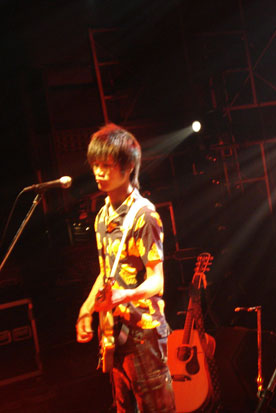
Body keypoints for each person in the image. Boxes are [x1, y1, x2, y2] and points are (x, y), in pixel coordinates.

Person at [75, 124, 176, 412]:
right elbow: (107, 272)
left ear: (128, 166)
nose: (98, 172)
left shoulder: (144, 215)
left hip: (144, 333)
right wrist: (86, 309)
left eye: (106, 165)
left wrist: (123, 296)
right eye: (95, 165)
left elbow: (157, 281)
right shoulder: (103, 216)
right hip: (114, 331)